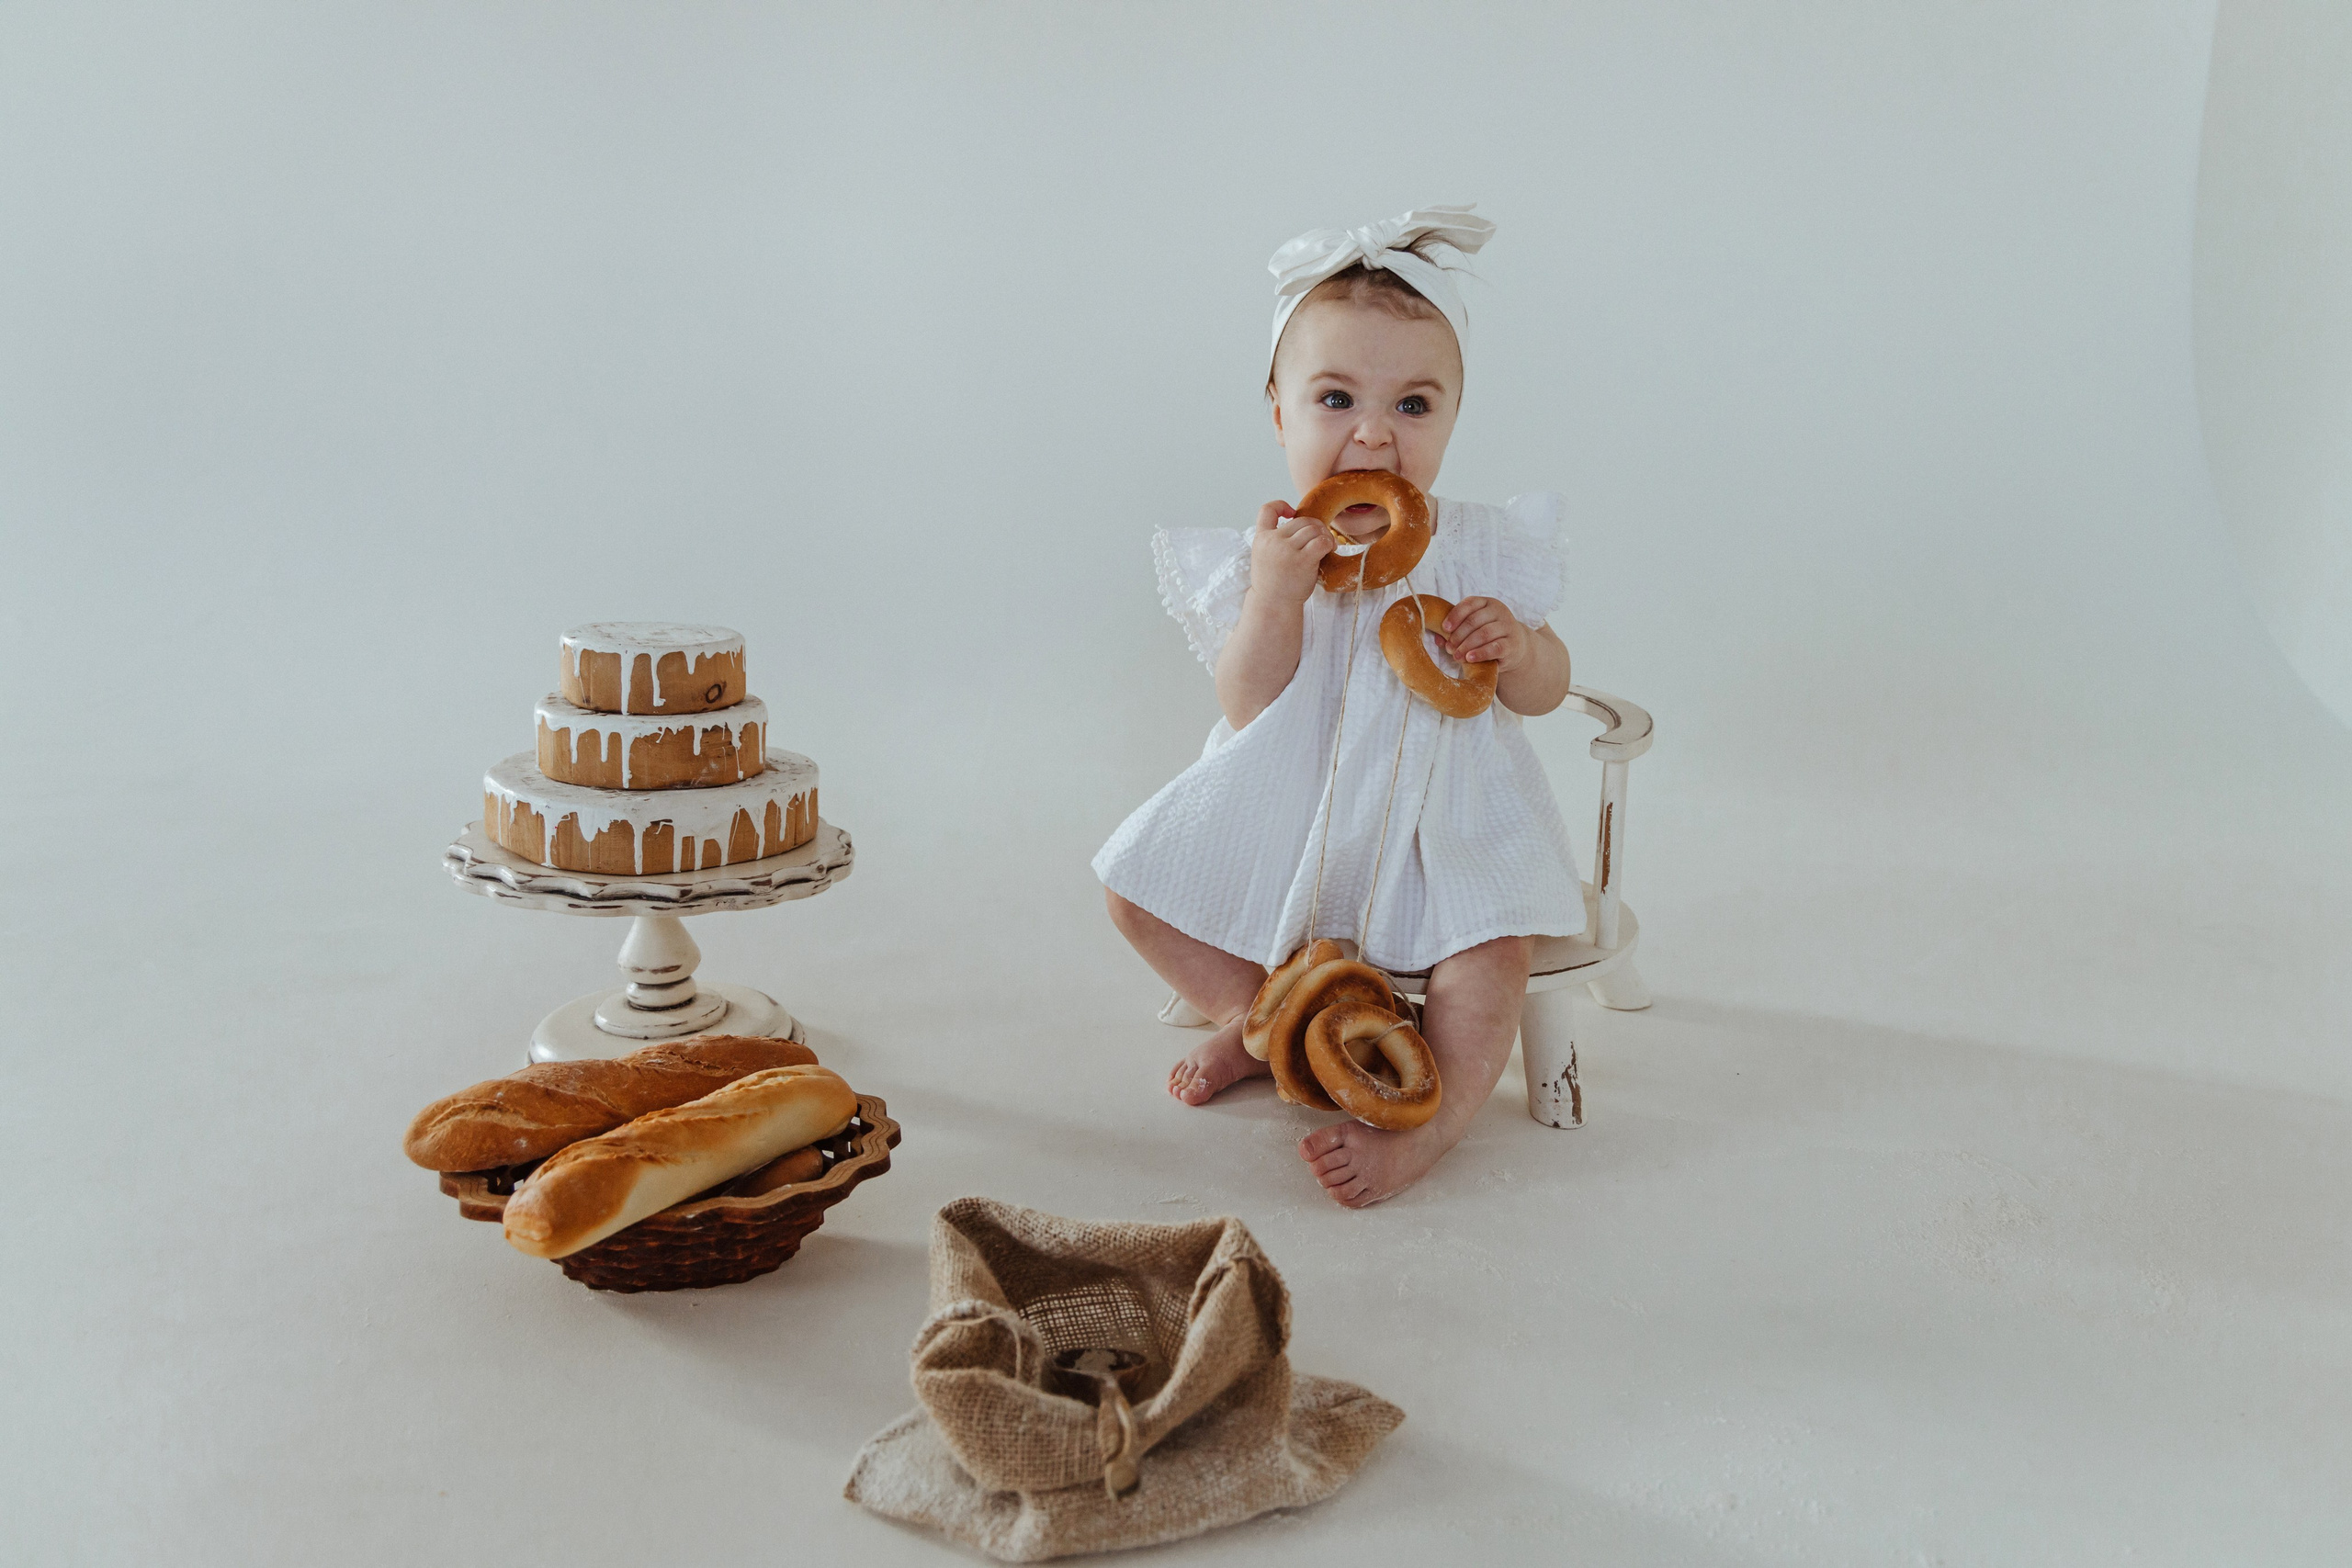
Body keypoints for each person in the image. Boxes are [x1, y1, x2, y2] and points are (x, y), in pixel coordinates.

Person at [1093, 206, 1589, 1208]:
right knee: (1134, 892)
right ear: (1278, 414)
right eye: (1334, 399)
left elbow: (1542, 694)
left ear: (1453, 416)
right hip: (1299, 807)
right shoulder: (1272, 555)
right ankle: (1266, 1024)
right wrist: (1277, 595)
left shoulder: (1483, 548)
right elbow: (1249, 703)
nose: (1372, 432)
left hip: (1446, 825)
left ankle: (1432, 1124)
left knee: (1491, 959)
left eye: (1413, 405)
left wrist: (1522, 648)